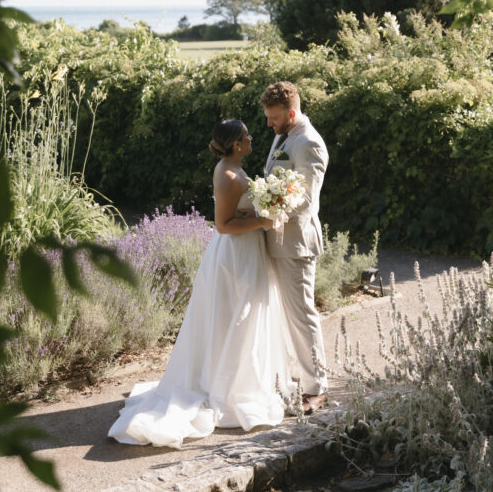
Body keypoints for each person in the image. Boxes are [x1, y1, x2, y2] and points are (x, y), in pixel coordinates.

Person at [108, 119, 294, 448]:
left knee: (241, 318)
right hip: (234, 258)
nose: (251, 139)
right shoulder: (228, 175)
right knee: (235, 317)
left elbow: (239, 214)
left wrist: (265, 208)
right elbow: (223, 225)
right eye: (246, 136)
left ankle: (240, 379)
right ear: (236, 144)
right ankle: (227, 388)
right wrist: (265, 219)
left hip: (246, 252)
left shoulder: (233, 169)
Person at [261, 81, 329, 413]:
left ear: (291, 113)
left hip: (296, 243)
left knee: (302, 316)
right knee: (284, 315)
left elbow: (305, 200)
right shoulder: (283, 135)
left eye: (274, 118)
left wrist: (263, 209)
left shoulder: (309, 143)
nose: (269, 124)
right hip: (275, 242)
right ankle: (294, 377)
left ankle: (318, 387)